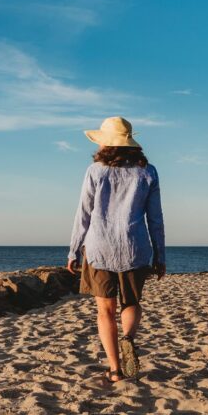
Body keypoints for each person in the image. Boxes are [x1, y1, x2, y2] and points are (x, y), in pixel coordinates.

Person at [67, 116, 166, 383]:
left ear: (105, 143)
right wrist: (160, 255)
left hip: (99, 247)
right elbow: (155, 218)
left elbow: (84, 213)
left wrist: (73, 250)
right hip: (135, 247)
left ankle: (114, 370)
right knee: (132, 303)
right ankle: (128, 338)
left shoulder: (95, 170)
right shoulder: (148, 172)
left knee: (105, 311)